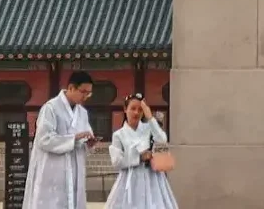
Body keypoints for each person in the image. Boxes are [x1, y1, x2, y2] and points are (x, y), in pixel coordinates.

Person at [22, 71, 97, 209]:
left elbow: (85, 137)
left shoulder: (82, 113)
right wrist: (73, 139)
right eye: (83, 92)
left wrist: (89, 143)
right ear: (71, 88)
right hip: (52, 170)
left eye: (89, 93)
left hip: (74, 170)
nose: (86, 96)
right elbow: (43, 139)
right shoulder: (50, 108)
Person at [108, 95, 177, 209]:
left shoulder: (148, 128)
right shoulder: (118, 135)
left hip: (152, 178)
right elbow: (117, 162)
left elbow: (162, 139)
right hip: (129, 180)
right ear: (125, 109)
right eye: (133, 108)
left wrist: (150, 116)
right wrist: (139, 158)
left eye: (140, 110)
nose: (136, 112)